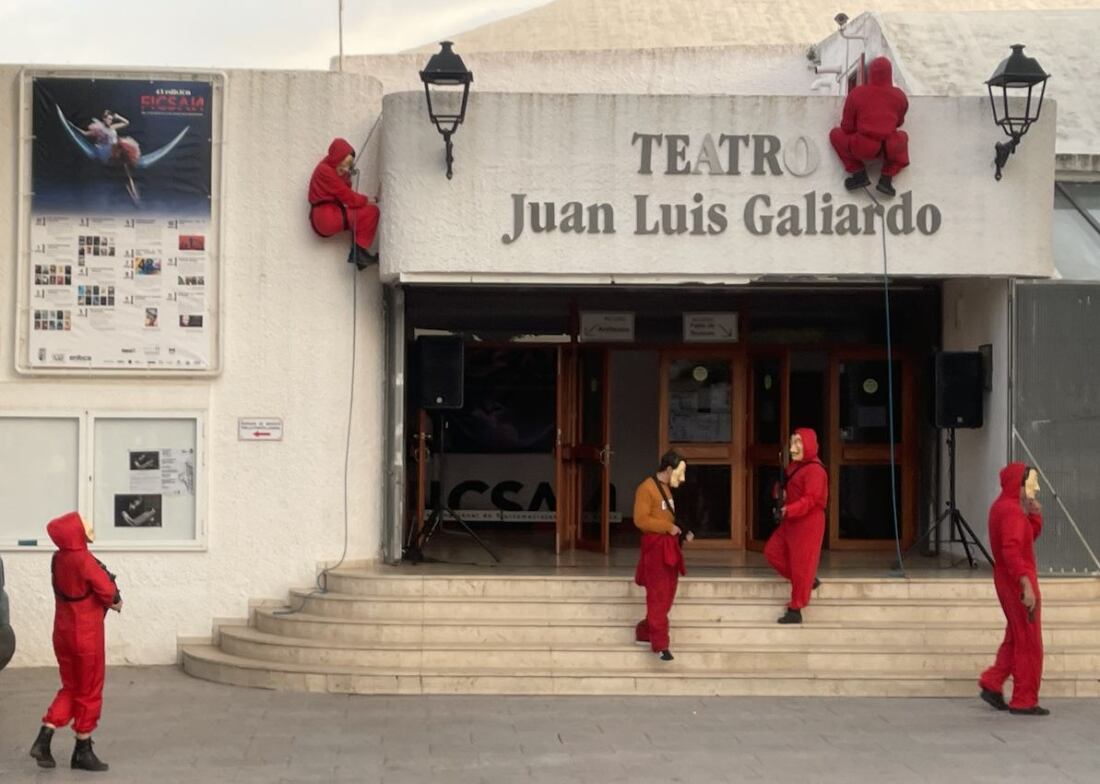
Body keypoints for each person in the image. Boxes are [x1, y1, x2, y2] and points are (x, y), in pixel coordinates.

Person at [29, 512, 122, 772]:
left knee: (70, 686)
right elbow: (107, 592)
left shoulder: (58, 559)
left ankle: (45, 735)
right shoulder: (84, 560)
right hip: (86, 636)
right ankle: (83, 750)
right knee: (90, 689)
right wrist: (116, 602)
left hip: (63, 633)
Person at [979, 463, 1049, 716]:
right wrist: (1026, 585)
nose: (1035, 488)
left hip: (1009, 578)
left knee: (1016, 635)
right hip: (1017, 580)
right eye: (1031, 483)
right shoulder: (1010, 512)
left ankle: (992, 681)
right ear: (1018, 484)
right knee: (1029, 641)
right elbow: (1011, 551)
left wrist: (1034, 515)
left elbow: (1025, 539)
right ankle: (1024, 699)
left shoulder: (1004, 508)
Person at [633, 450, 692, 661]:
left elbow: (669, 516)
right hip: (656, 549)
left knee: (667, 594)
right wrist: (667, 527)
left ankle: (644, 630)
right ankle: (661, 644)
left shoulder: (667, 488)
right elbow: (641, 520)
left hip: (669, 549)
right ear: (668, 469)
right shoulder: (646, 489)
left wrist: (681, 531)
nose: (682, 479)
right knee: (658, 596)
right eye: (680, 473)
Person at [764, 428, 828, 624]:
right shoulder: (794, 467)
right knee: (772, 552)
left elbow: (811, 500)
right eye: (792, 443)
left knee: (802, 565)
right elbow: (787, 488)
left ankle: (796, 608)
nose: (793, 448)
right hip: (791, 521)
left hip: (807, 523)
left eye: (798, 443)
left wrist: (788, 509)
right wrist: (779, 494)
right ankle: (807, 582)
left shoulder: (816, 471)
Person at [828, 56, 909, 197]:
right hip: (889, 148)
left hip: (864, 146)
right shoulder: (900, 96)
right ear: (889, 73)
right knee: (902, 138)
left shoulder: (857, 94)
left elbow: (847, 127)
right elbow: (899, 122)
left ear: (870, 73)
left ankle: (859, 173)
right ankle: (886, 179)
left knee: (836, 135)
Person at [308, 138, 380, 270]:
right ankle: (359, 253)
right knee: (371, 212)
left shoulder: (325, 169)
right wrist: (372, 199)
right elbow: (347, 197)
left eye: (348, 165)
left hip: (324, 216)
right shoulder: (326, 171)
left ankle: (360, 254)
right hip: (327, 216)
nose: (346, 168)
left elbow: (342, 192)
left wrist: (345, 176)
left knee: (361, 213)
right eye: (345, 163)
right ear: (337, 158)